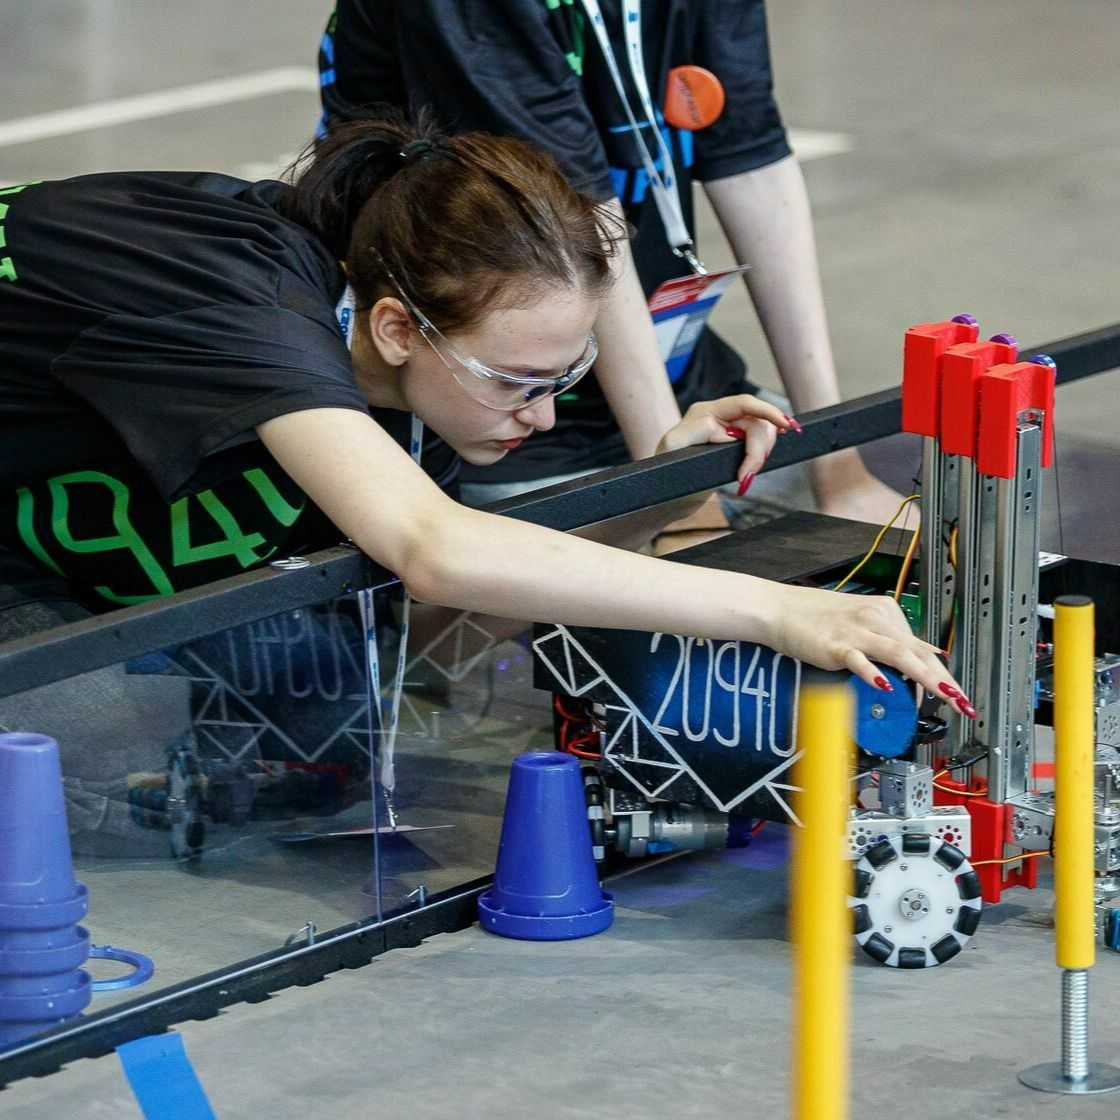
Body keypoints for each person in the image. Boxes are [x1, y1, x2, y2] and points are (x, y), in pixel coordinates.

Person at [0, 117, 974, 756]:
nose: (545, 417)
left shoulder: (385, 386)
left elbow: (427, 641)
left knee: (315, 694)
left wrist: (661, 493)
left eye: (564, 379)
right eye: (516, 382)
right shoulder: (241, 298)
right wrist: (778, 611)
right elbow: (438, 554)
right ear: (396, 328)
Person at [317, 0, 906, 528]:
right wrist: (681, 505)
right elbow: (580, 227)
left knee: (895, 539)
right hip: (503, 416)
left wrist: (839, 467)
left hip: (665, 382)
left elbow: (750, 154)